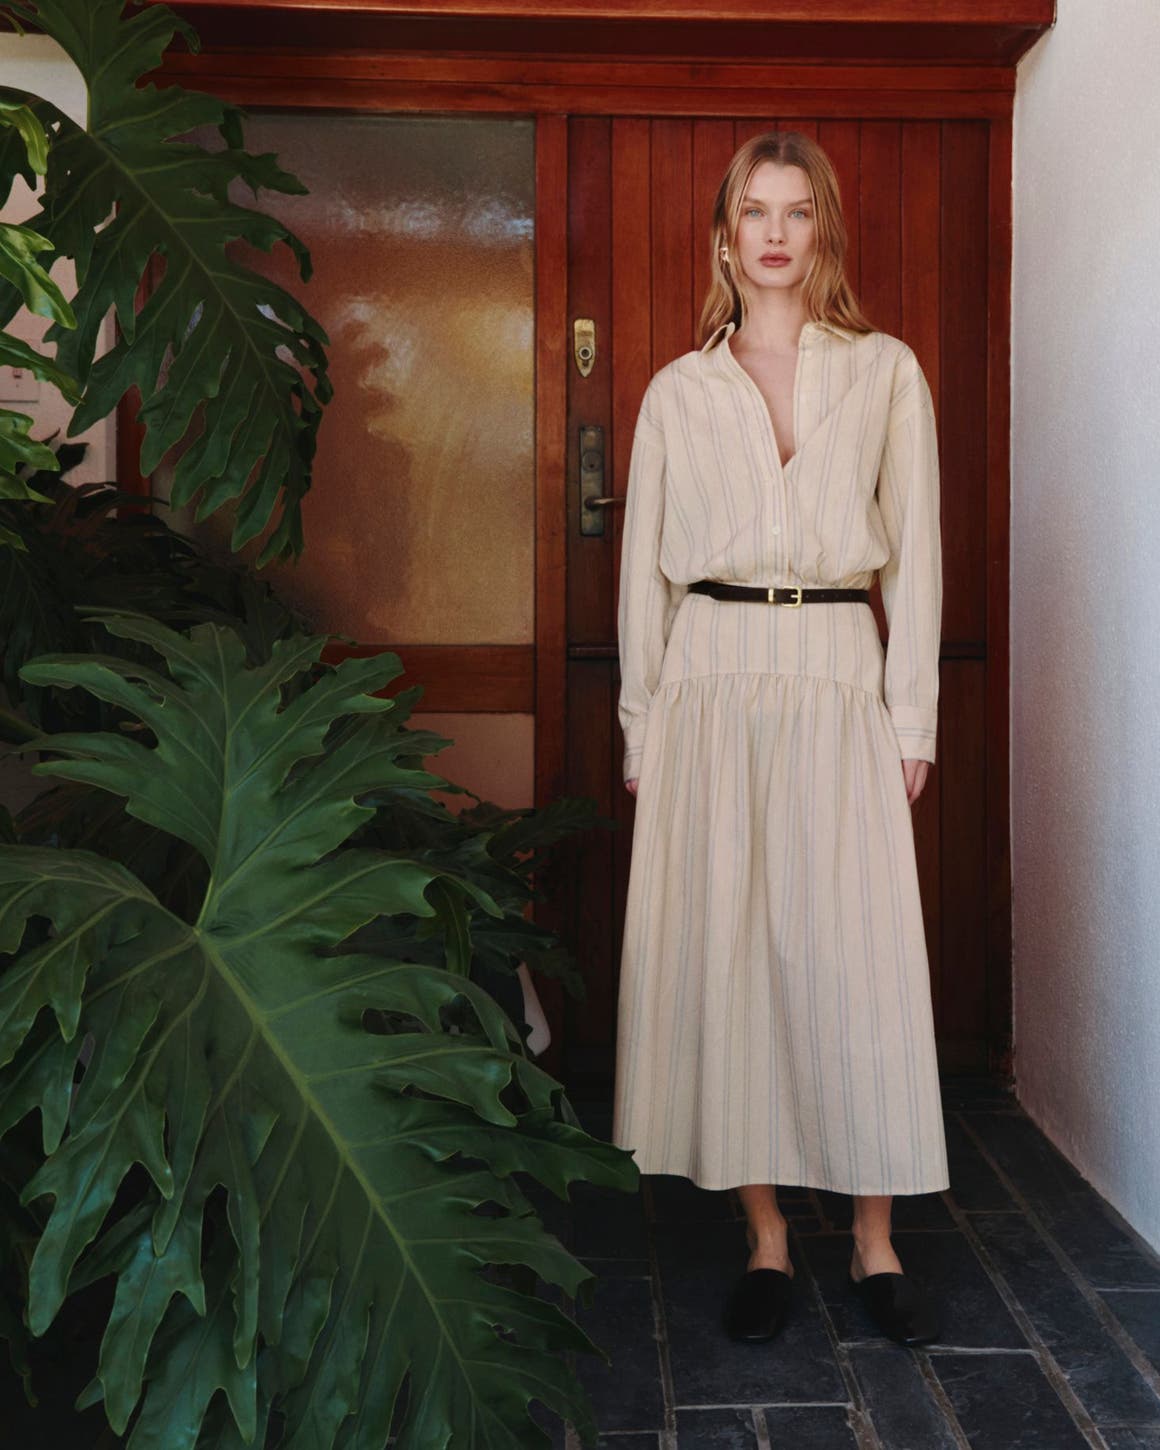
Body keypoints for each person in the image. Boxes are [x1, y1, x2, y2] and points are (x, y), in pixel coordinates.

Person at [612, 130, 948, 1349]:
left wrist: (908, 711)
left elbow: (911, 556)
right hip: (707, 677)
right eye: (751, 211)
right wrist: (641, 721)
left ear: (823, 234)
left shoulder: (883, 374)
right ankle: (763, 1231)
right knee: (736, 952)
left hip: (833, 670)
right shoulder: (675, 391)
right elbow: (644, 578)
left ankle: (872, 1235)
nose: (771, 231)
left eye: (794, 212)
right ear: (720, 237)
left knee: (853, 952)